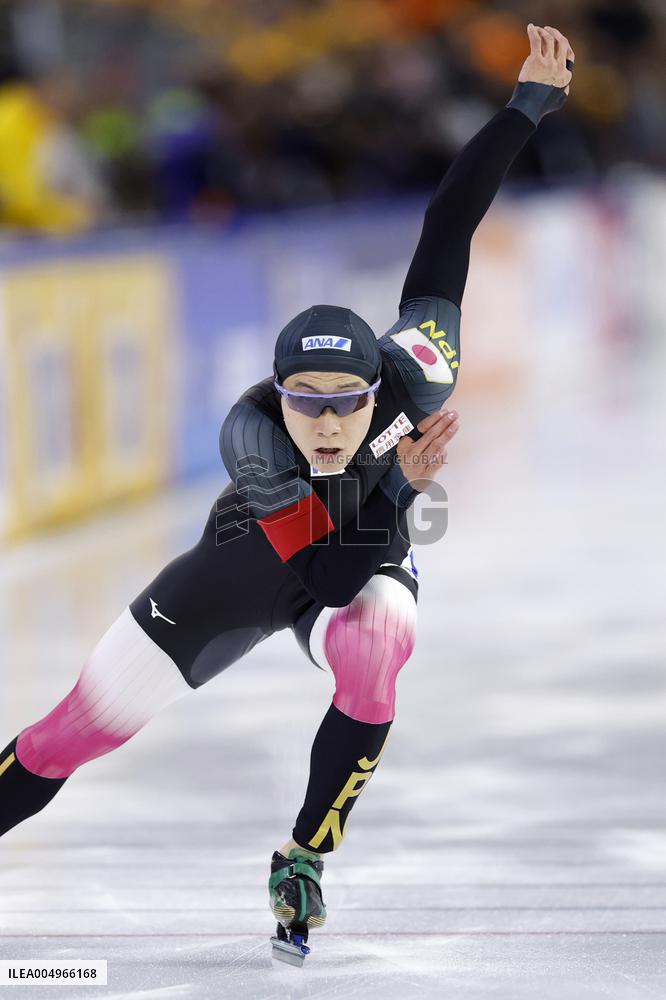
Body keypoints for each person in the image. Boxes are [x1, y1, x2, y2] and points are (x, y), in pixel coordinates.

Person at [0, 24, 574, 964]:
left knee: (381, 640)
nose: (327, 424)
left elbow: (449, 223)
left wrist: (525, 109)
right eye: (306, 404)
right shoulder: (253, 439)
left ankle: (304, 856)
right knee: (69, 736)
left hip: (365, 549)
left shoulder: (419, 369)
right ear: (279, 396)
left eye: (346, 403)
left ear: (374, 387)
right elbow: (321, 570)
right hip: (258, 558)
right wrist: (401, 492)